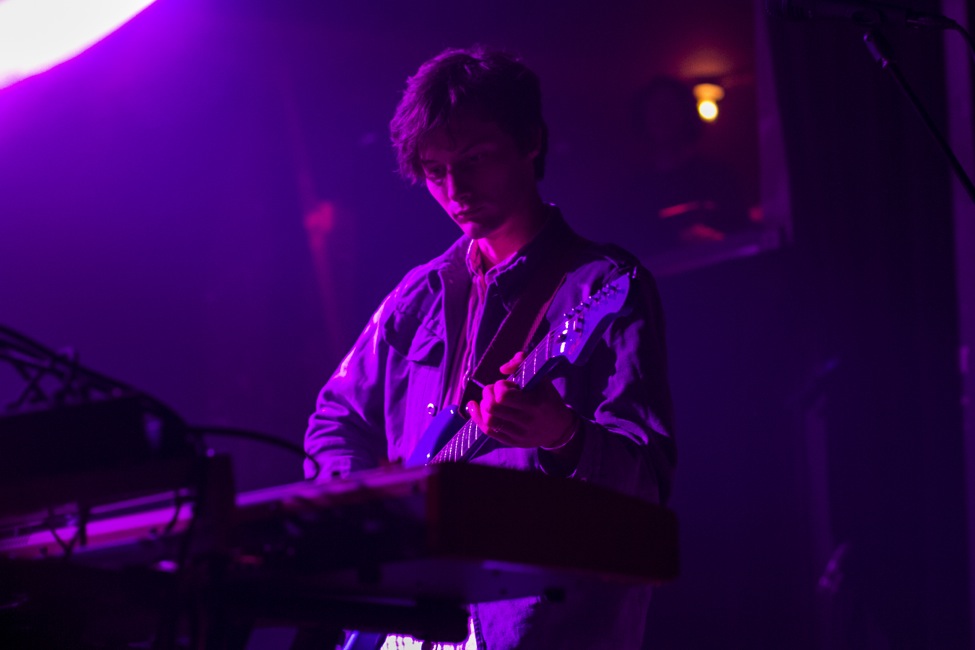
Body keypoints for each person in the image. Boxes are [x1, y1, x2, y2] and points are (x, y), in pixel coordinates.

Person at [305, 46, 676, 650]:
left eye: (475, 160)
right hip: (412, 616)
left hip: (539, 624)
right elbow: (335, 418)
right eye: (434, 171)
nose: (456, 189)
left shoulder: (605, 286)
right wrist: (374, 519)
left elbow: (649, 483)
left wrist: (564, 435)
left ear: (530, 140)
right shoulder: (416, 296)